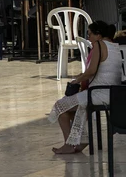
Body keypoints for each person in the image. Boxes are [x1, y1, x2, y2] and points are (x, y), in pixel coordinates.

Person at [48, 21, 122, 154]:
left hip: (99, 93)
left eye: (90, 34)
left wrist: (76, 81)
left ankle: (69, 144)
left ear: (98, 35)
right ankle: (82, 139)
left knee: (60, 106)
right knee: (70, 110)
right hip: (114, 92)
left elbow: (91, 71)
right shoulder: (115, 46)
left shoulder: (99, 45)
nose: (89, 37)